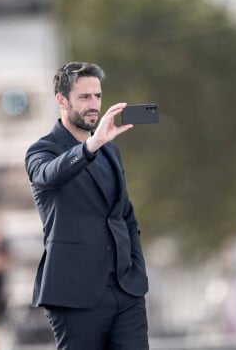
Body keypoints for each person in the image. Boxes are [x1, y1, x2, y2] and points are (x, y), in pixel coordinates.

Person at [25, 62, 150, 349]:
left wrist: (136, 270)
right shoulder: (41, 151)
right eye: (84, 97)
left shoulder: (111, 150)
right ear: (62, 100)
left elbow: (125, 216)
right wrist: (91, 146)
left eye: (97, 96)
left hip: (126, 290)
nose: (94, 104)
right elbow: (50, 174)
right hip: (74, 296)